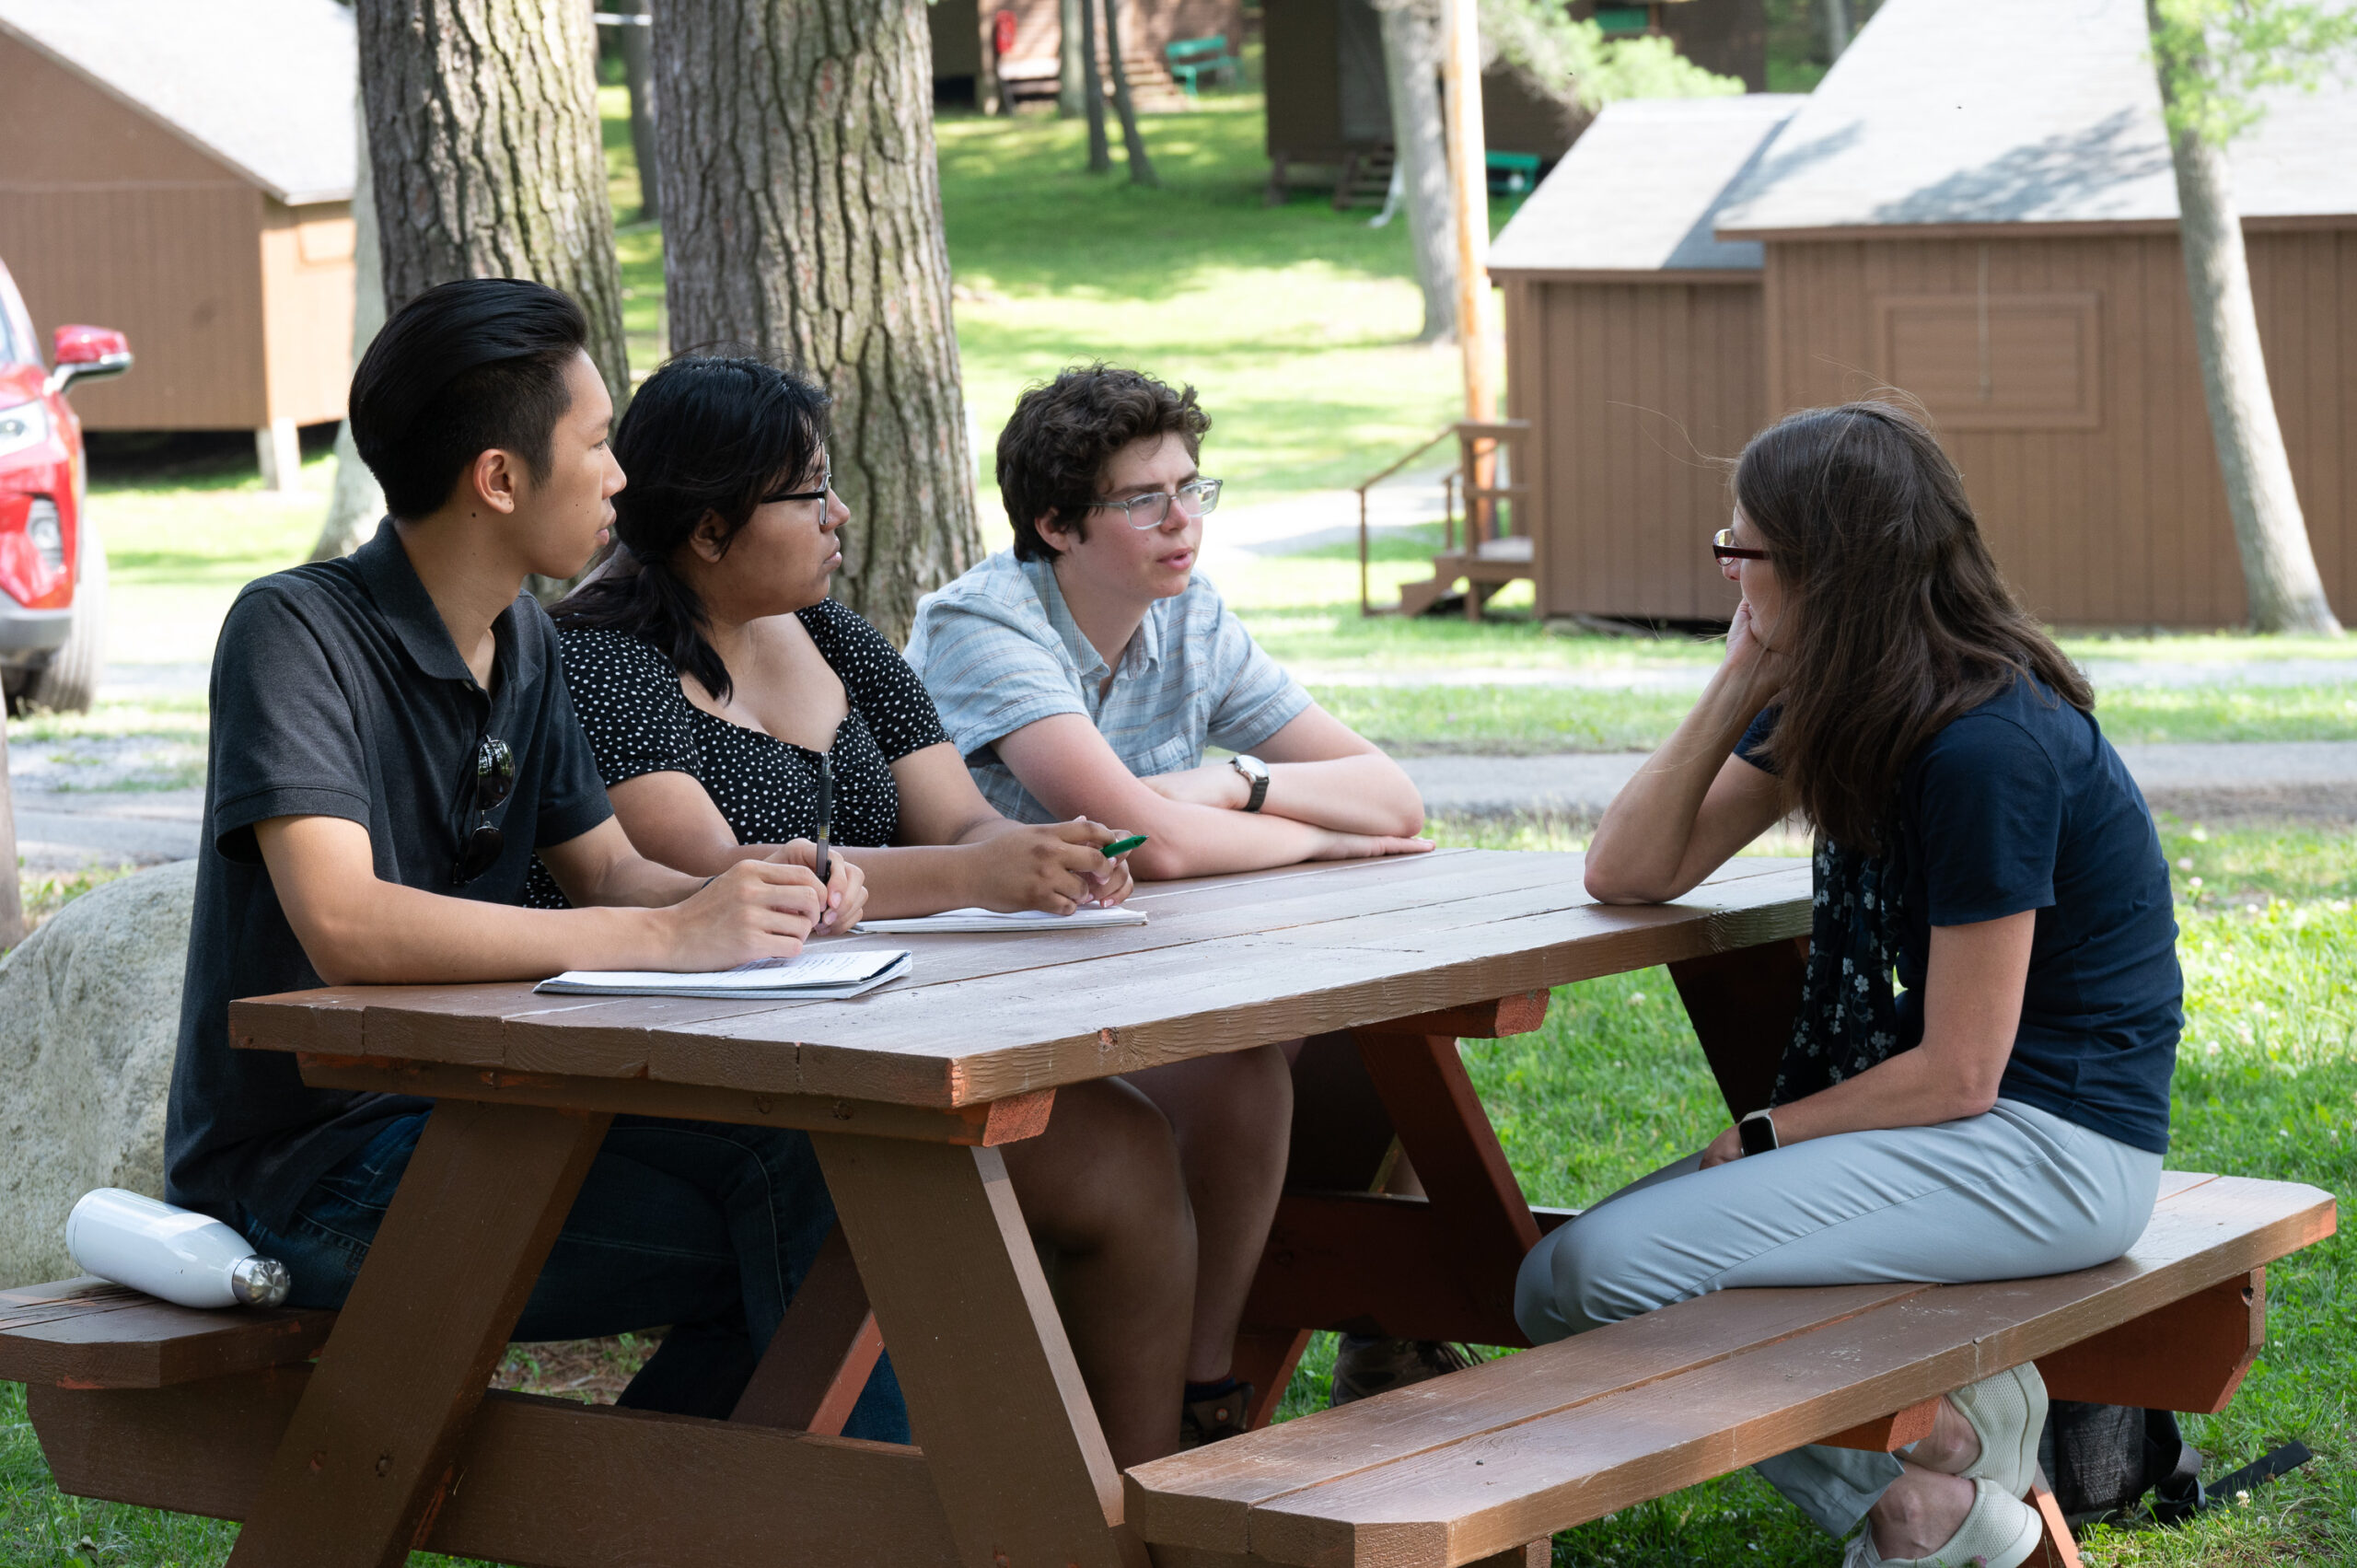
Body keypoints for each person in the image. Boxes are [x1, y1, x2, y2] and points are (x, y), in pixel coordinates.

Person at [161, 279, 901, 1436]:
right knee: (825, 1238)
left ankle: (702, 1520)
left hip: (484, 1112)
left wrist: (758, 890)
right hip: (308, 1172)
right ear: (498, 479)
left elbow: (609, 871)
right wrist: (669, 934)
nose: (621, 476)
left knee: (822, 1184)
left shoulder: (527, 641)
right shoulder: (293, 632)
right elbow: (346, 923)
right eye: (598, 443)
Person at [528, 352, 1269, 1464]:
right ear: (709, 526)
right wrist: (976, 875)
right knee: (960, 1199)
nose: (838, 515)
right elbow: (718, 871)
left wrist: (1035, 854)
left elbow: (958, 824)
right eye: (807, 490)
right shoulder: (601, 659)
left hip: (878, 1035)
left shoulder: (835, 636)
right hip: (704, 1084)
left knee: (1121, 1149)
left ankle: (1133, 1496)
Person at [1525, 402, 2179, 1568]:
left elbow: (1962, 1067)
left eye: (1742, 554)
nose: (1727, 575)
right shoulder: (1862, 703)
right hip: (1980, 1132)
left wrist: (1771, 1132)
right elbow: (1630, 867)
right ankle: (1951, 1447)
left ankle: (1924, 1498)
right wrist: (1742, 667)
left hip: (2054, 1149)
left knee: (1588, 1277)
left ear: (1826, 569)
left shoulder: (1987, 745)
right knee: (1563, 1284)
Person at [905, 364, 1444, 1409]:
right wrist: (1310, 841)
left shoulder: (1188, 614)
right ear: (1058, 523)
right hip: (998, 1008)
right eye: (1143, 498)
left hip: (1154, 974)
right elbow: (1142, 849)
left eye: (1192, 487)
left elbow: (1391, 796)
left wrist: (1237, 779)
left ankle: (1379, 1340)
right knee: (1250, 1074)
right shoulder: (986, 626)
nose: (1182, 519)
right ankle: (1204, 1398)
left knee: (1397, 1040)